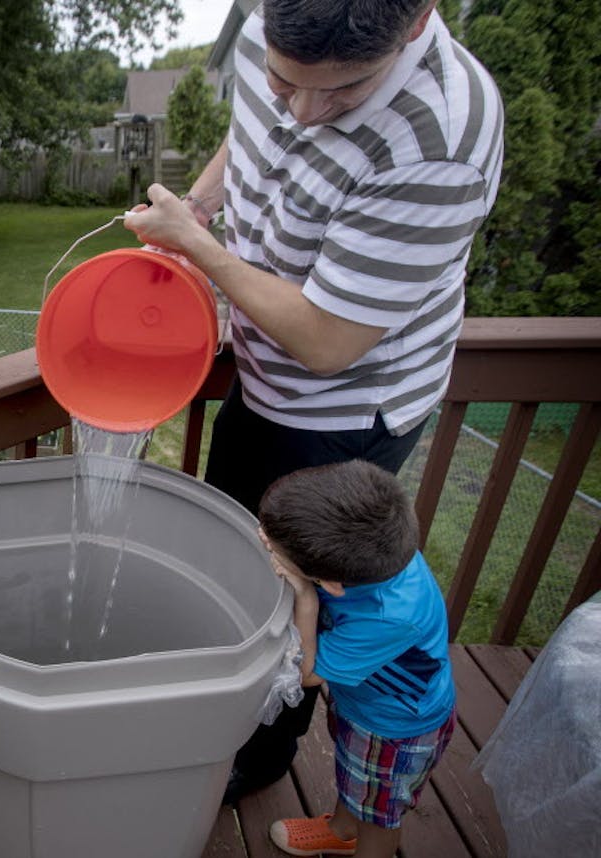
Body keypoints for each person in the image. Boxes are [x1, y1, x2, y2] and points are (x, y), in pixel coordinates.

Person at [118, 0, 501, 802]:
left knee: (296, 593)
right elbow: (255, 133)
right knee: (228, 550)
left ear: (419, 17)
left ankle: (253, 758)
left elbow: (327, 341)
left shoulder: (444, 137)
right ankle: (199, 705)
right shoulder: (271, 27)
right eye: (283, 81)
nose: (304, 113)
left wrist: (201, 248)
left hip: (342, 415)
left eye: (346, 91)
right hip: (261, 379)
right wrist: (200, 208)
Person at [257, 460, 454, 857]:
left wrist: (306, 600)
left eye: (273, 548)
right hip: (360, 702)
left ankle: (365, 845)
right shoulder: (375, 548)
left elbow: (308, 674)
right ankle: (343, 830)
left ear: (330, 584)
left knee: (380, 815)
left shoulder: (390, 617)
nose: (265, 543)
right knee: (356, 779)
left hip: (395, 729)